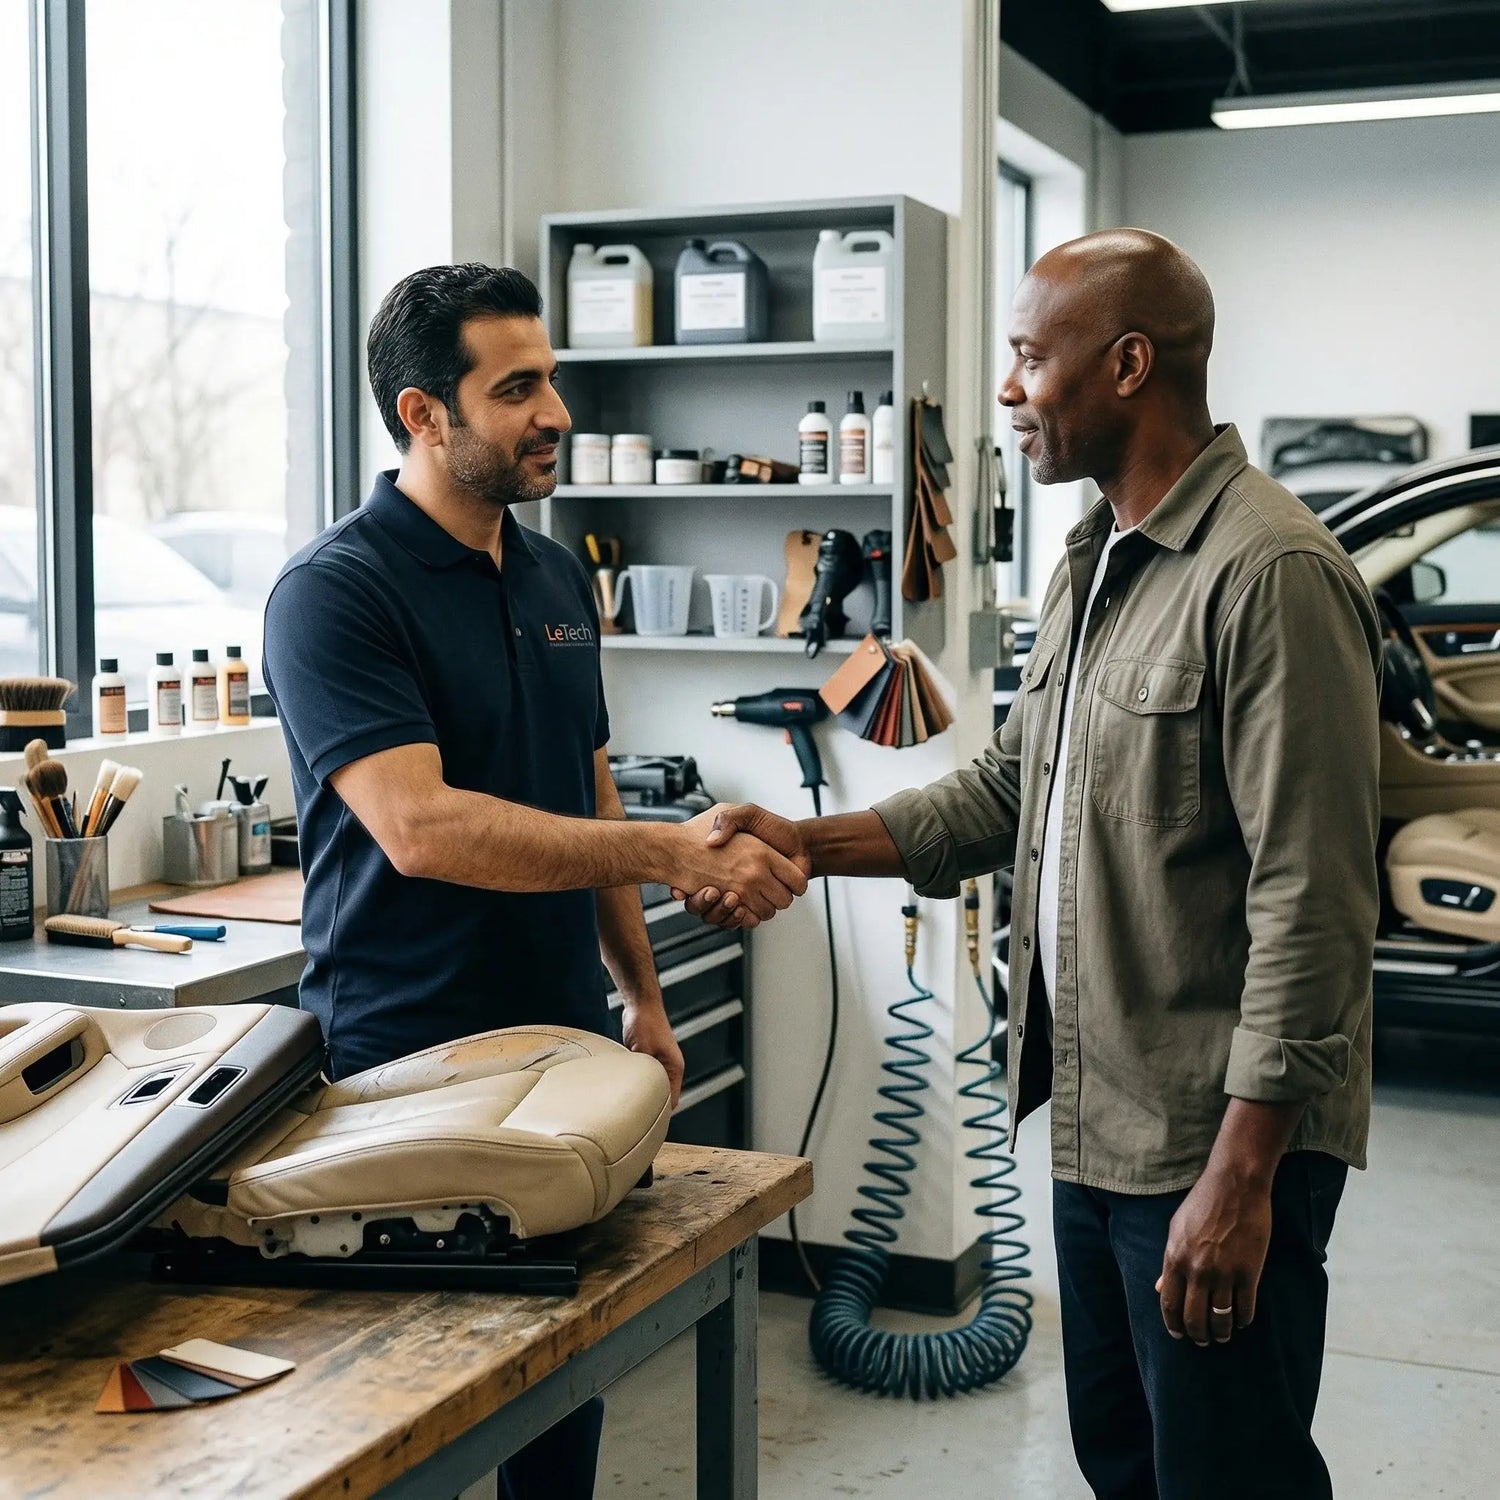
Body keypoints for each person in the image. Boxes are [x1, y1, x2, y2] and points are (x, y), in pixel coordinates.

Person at [679, 230, 1381, 1500]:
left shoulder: (1270, 573)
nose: (1007, 393)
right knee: (1124, 1461)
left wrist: (1240, 1176)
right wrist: (807, 841)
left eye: (1025, 358)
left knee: (1230, 1474)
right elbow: (1016, 788)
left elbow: (1316, 904)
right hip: (1095, 1125)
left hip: (1209, 1139)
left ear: (1124, 365)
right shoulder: (1091, 562)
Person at [262, 262, 807, 1500]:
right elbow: (423, 829)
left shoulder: (558, 576)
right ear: (424, 415)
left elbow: (588, 784)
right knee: (412, 1414)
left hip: (566, 1045)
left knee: (563, 1399)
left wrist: (643, 996)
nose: (555, 410)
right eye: (518, 389)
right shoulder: (335, 593)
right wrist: (677, 852)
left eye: (551, 377)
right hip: (406, 1065)